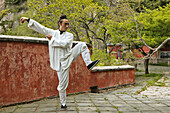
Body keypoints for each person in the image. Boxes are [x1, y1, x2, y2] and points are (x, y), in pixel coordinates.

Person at [20, 15, 99, 109]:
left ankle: (88, 63)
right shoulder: (53, 32)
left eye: (68, 24)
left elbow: (64, 45)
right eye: (65, 24)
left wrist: (51, 40)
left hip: (69, 56)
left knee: (82, 45)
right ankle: (63, 103)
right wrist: (28, 20)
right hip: (60, 63)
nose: (67, 26)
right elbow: (41, 28)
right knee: (62, 85)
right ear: (59, 24)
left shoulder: (70, 35)